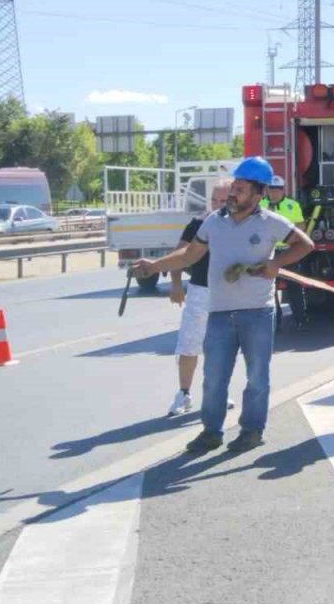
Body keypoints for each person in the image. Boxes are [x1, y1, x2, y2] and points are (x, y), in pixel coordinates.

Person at [133, 157, 314, 454]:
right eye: (233, 188)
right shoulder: (213, 222)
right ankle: (211, 432)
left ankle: (252, 431)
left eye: (240, 190)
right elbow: (188, 255)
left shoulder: (272, 222)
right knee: (214, 379)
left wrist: (276, 263)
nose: (233, 194)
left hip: (258, 313)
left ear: (258, 193)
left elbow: (305, 244)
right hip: (218, 312)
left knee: (257, 378)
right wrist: (154, 265)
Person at [166, 179, 232, 417]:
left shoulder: (241, 224)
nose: (218, 204)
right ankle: (184, 394)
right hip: (200, 292)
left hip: (230, 295)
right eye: (214, 199)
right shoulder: (198, 223)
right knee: (189, 344)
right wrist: (176, 285)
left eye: (223, 200)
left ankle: (218, 393)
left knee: (222, 348)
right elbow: (179, 254)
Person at [262, 176, 307, 328]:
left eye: (278, 190)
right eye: (272, 189)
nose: (275, 193)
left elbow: (300, 226)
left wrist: (291, 239)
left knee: (294, 285)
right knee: (269, 288)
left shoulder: (292, 205)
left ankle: (300, 319)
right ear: (267, 190)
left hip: (287, 251)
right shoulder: (260, 205)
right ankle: (275, 320)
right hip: (268, 251)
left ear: (283, 190)